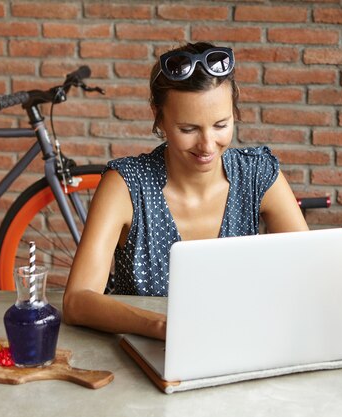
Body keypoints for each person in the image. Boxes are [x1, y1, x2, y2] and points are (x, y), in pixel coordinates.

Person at [63, 42, 308, 340]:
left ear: (234, 110)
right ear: (159, 117)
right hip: (150, 355)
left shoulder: (258, 175)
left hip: (241, 344)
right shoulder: (126, 184)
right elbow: (77, 300)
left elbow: (307, 276)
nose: (207, 145)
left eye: (221, 125)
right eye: (188, 129)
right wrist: (162, 328)